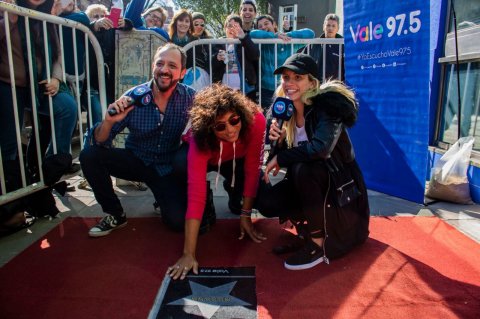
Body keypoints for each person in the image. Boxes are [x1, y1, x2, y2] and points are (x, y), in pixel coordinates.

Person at [256, 53, 370, 270]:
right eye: (286, 78)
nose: (289, 83)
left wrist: (282, 156)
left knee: (302, 169)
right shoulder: (285, 112)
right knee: (266, 201)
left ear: (312, 82)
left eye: (297, 78)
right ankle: (305, 230)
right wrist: (278, 144)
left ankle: (317, 243)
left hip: (341, 190)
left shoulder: (328, 107)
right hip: (311, 183)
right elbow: (279, 163)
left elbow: (321, 150)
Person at [79, 44, 198, 237]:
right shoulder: (134, 96)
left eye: (172, 66)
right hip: (136, 160)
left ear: (182, 72)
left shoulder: (190, 97)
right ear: (153, 67)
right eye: (160, 63)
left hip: (166, 168)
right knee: (90, 156)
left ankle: (163, 199)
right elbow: (100, 141)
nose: (164, 70)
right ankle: (115, 214)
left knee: (177, 222)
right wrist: (109, 122)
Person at [166, 84, 267, 280]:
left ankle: (233, 192)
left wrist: (246, 215)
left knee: (256, 198)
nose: (229, 130)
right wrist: (188, 254)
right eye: (220, 126)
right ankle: (209, 201)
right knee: (180, 165)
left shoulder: (257, 120)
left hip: (237, 160)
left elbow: (253, 168)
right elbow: (195, 196)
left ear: (241, 115)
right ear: (209, 128)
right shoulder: (200, 137)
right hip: (209, 156)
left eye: (234, 120)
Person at [250, 14, 315, 111]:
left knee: (285, 120)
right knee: (268, 120)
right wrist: (274, 36)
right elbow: (252, 34)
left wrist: (287, 35)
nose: (263, 27)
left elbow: (310, 33)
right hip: (266, 89)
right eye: (260, 26)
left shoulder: (287, 41)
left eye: (266, 23)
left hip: (286, 87)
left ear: (274, 25)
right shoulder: (261, 43)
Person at [212, 14, 259, 105]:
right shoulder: (218, 44)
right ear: (224, 28)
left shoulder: (244, 42)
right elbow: (212, 66)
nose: (232, 29)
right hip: (224, 90)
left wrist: (244, 37)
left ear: (240, 28)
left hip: (245, 89)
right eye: (229, 26)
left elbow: (255, 55)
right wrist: (217, 58)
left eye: (235, 26)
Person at [169, 9, 208, 90]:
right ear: (175, 22)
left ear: (190, 24)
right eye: (180, 20)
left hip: (191, 80)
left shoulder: (195, 41)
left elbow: (201, 63)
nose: (183, 23)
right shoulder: (169, 40)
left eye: (187, 21)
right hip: (172, 77)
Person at [299, 13, 344, 81]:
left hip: (336, 87)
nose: (330, 28)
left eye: (333, 26)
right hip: (317, 86)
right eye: (328, 25)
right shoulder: (314, 44)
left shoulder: (343, 46)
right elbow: (300, 61)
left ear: (338, 28)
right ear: (323, 27)